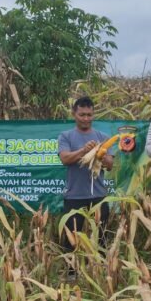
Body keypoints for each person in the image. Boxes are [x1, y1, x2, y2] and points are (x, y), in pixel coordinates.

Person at [58, 96, 114, 256]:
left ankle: (102, 272)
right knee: (71, 238)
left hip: (99, 196)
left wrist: (100, 153)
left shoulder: (102, 137)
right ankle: (71, 271)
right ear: (74, 114)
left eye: (89, 115)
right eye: (82, 115)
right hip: (74, 196)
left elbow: (110, 165)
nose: (86, 118)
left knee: (101, 237)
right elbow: (65, 159)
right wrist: (84, 151)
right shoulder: (66, 136)